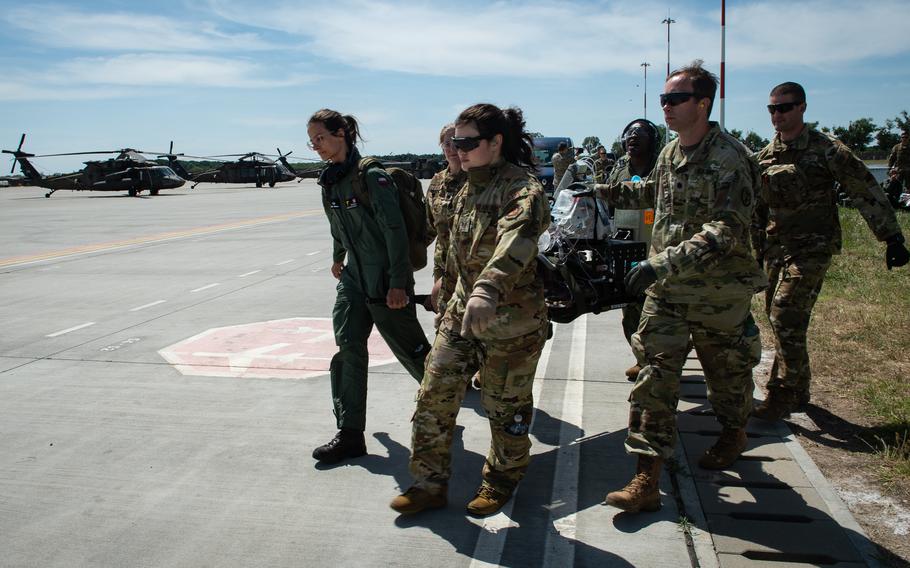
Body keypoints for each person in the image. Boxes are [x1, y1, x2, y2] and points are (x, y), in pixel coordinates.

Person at [596, 61, 766, 513]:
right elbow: (653, 194)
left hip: (717, 293)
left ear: (703, 103)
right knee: (653, 379)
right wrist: (602, 192)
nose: (665, 108)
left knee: (727, 378)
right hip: (668, 294)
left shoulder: (731, 158)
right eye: (664, 99)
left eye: (675, 99)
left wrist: (661, 262)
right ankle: (645, 479)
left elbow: (728, 228)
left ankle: (733, 432)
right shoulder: (670, 154)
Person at [390, 103, 550, 517]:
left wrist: (488, 288)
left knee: (505, 409)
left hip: (510, 323)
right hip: (460, 315)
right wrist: (442, 277)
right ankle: (429, 483)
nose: (457, 149)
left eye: (467, 142)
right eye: (455, 142)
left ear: (495, 143)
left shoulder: (523, 189)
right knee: (433, 396)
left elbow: (515, 242)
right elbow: (446, 238)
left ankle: (501, 479)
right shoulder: (462, 187)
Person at [751, 83, 909, 421]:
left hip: (813, 247)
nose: (778, 115)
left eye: (785, 107)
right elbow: (756, 209)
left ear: (802, 108)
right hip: (776, 248)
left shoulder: (828, 150)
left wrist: (892, 237)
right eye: (772, 109)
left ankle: (782, 392)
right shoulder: (764, 157)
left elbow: (864, 188)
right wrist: (752, 251)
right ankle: (800, 386)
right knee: (780, 320)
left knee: (785, 314)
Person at [307, 109, 431, 464]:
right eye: (312, 141)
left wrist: (398, 283)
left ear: (342, 133)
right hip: (354, 279)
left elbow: (394, 231)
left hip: (385, 278)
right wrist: (337, 255)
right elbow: (336, 223)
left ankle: (443, 401)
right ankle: (349, 434)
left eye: (321, 138)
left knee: (412, 350)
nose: (316, 146)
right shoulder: (330, 178)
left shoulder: (371, 176)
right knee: (348, 347)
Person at [424, 124, 482, 389]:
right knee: (445, 318)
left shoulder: (476, 180)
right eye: (445, 144)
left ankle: (480, 366)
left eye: (454, 143)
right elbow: (428, 226)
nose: (450, 149)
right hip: (443, 264)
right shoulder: (437, 182)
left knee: (473, 319)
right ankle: (453, 373)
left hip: (470, 264)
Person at [605, 119, 661, 381]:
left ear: (653, 140)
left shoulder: (662, 168)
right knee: (630, 307)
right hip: (627, 244)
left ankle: (658, 362)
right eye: (629, 133)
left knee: (658, 309)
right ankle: (642, 359)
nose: (632, 137)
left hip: (658, 246)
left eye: (639, 133)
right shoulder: (618, 169)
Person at [887, 131, 910, 206]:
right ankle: (897, 202)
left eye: (906, 137)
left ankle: (907, 203)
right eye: (903, 137)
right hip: (898, 171)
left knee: (908, 188)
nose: (904, 139)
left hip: (909, 171)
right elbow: (892, 159)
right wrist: (889, 169)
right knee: (897, 187)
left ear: (908, 138)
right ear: (901, 138)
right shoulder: (896, 147)